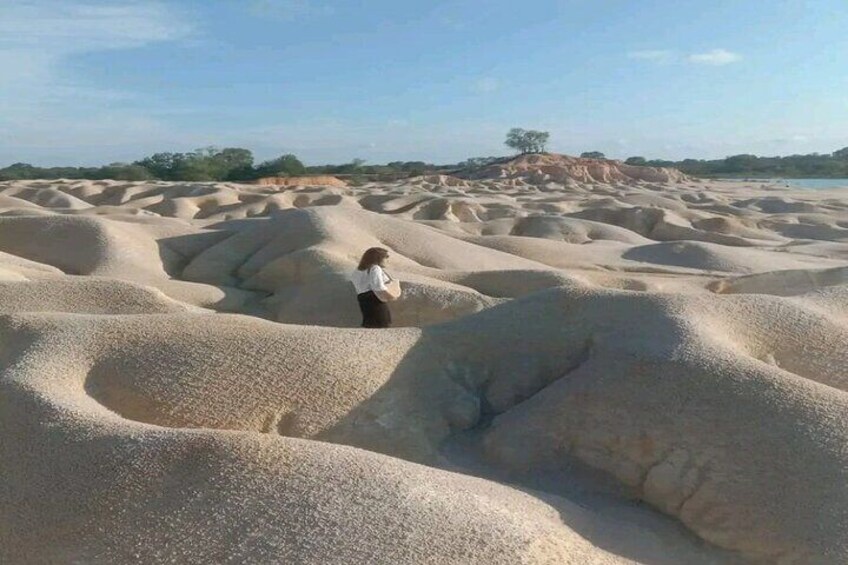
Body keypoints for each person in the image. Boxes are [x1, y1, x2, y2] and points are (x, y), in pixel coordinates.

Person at [350, 247, 397, 328]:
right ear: (378, 258)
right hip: (375, 299)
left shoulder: (358, 270)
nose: (387, 261)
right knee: (382, 323)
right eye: (385, 258)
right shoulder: (375, 268)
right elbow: (377, 286)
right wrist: (390, 296)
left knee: (369, 323)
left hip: (362, 299)